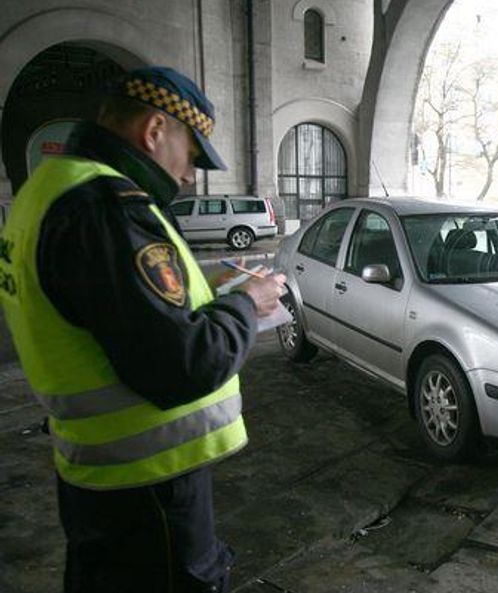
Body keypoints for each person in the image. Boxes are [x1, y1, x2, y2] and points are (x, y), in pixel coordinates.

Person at [0, 67, 286, 592]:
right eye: (192, 157)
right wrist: (249, 303)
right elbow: (183, 364)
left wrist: (202, 286)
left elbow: (115, 306)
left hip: (100, 476)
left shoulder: (49, 189)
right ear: (154, 132)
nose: (188, 177)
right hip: (148, 484)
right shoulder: (107, 207)